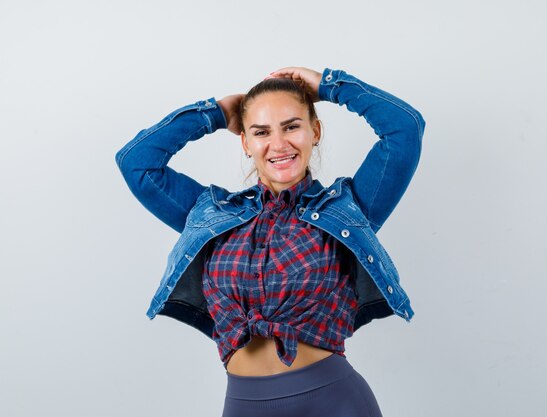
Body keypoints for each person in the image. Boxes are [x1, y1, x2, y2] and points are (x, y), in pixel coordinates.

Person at [115, 66, 425, 417]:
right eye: (261, 132)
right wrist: (215, 113)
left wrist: (330, 86)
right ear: (246, 142)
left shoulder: (349, 208)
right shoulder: (211, 215)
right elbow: (136, 163)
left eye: (292, 126)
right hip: (245, 404)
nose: (278, 144)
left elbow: (405, 129)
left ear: (315, 131)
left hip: (334, 401)